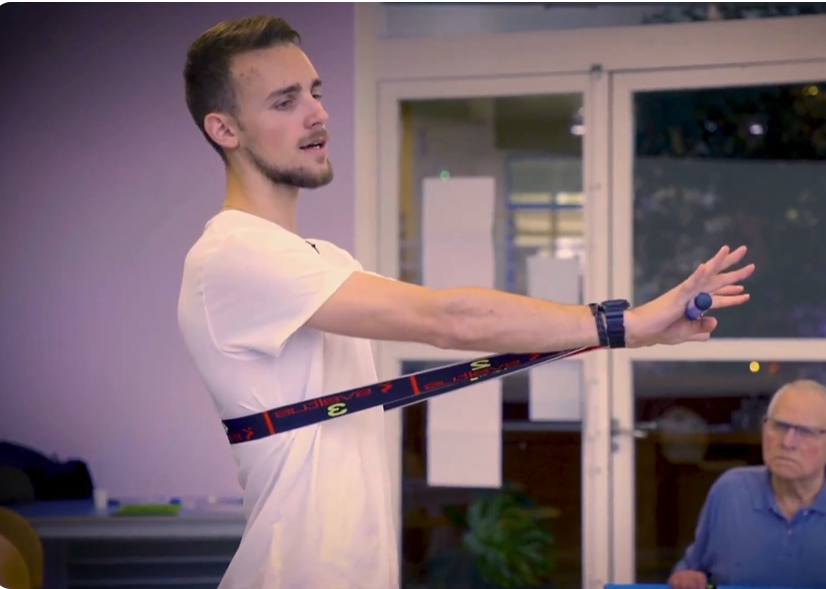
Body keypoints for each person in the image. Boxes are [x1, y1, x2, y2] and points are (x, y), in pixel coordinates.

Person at [176, 15, 755, 589]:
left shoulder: (322, 259)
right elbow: (449, 320)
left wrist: (637, 331)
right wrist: (621, 323)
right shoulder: (236, 254)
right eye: (284, 101)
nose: (317, 113)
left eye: (316, 92)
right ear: (225, 129)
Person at [668, 379, 826, 589]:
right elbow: (692, 569)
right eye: (779, 426)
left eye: (805, 432)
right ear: (763, 428)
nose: (787, 443)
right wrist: (685, 578)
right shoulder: (731, 491)